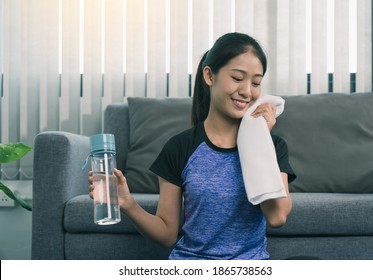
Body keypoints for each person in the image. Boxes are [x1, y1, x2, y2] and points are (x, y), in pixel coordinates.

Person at [89, 32, 296, 260]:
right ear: (209, 75)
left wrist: (258, 141)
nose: (247, 91)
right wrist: (127, 203)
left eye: (256, 82)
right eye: (237, 78)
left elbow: (277, 217)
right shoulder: (180, 147)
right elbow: (167, 234)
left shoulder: (272, 146)